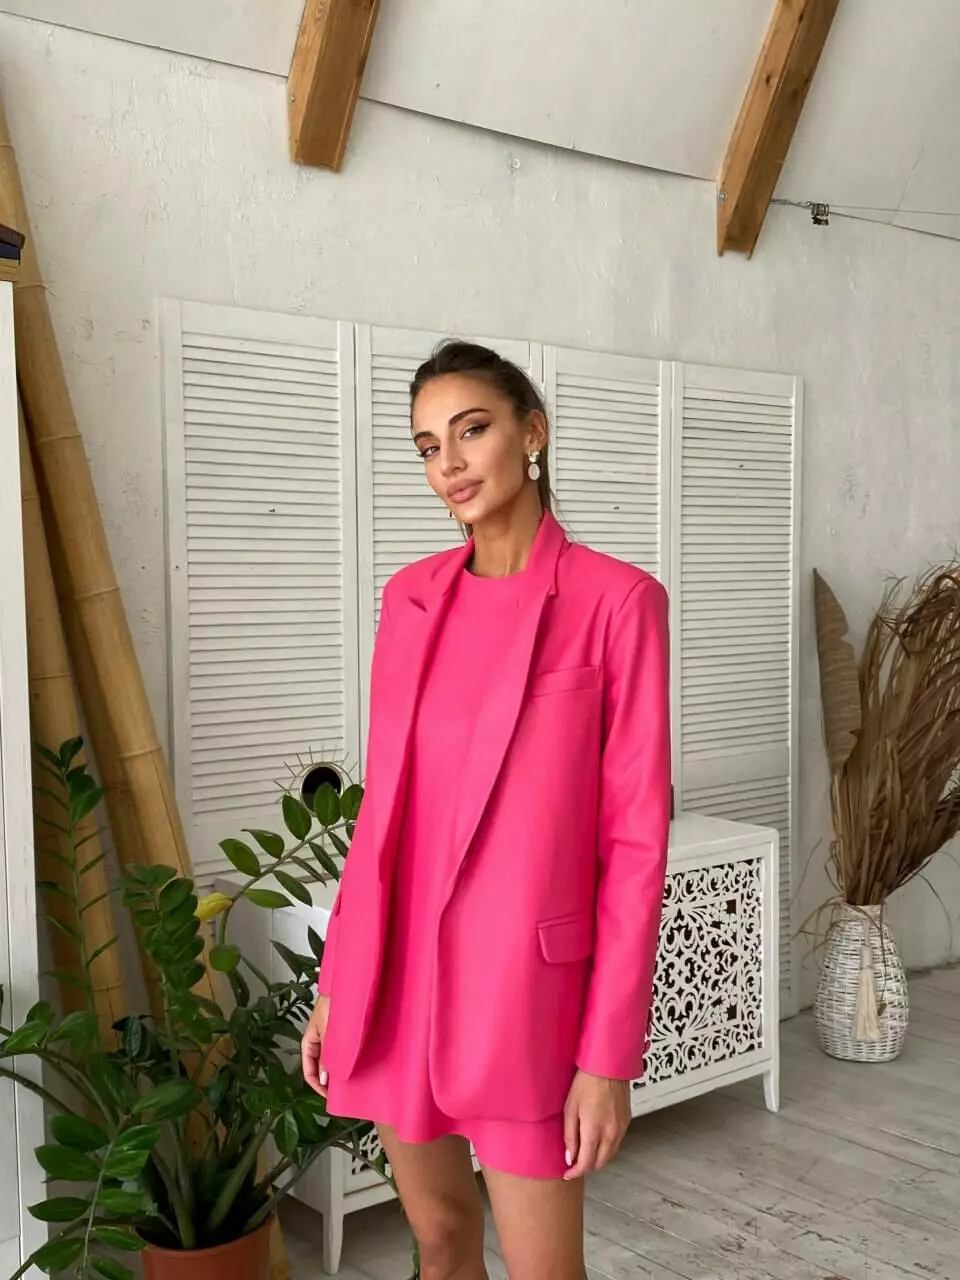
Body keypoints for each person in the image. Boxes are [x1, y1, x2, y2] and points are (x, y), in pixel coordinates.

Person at [301, 340, 671, 1280]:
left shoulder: (618, 603)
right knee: (439, 1240)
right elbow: (385, 810)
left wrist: (607, 1058)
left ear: (531, 433)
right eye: (429, 446)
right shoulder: (410, 598)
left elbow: (635, 844)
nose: (450, 464)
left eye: (471, 431)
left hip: (525, 998)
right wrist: (340, 978)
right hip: (397, 981)